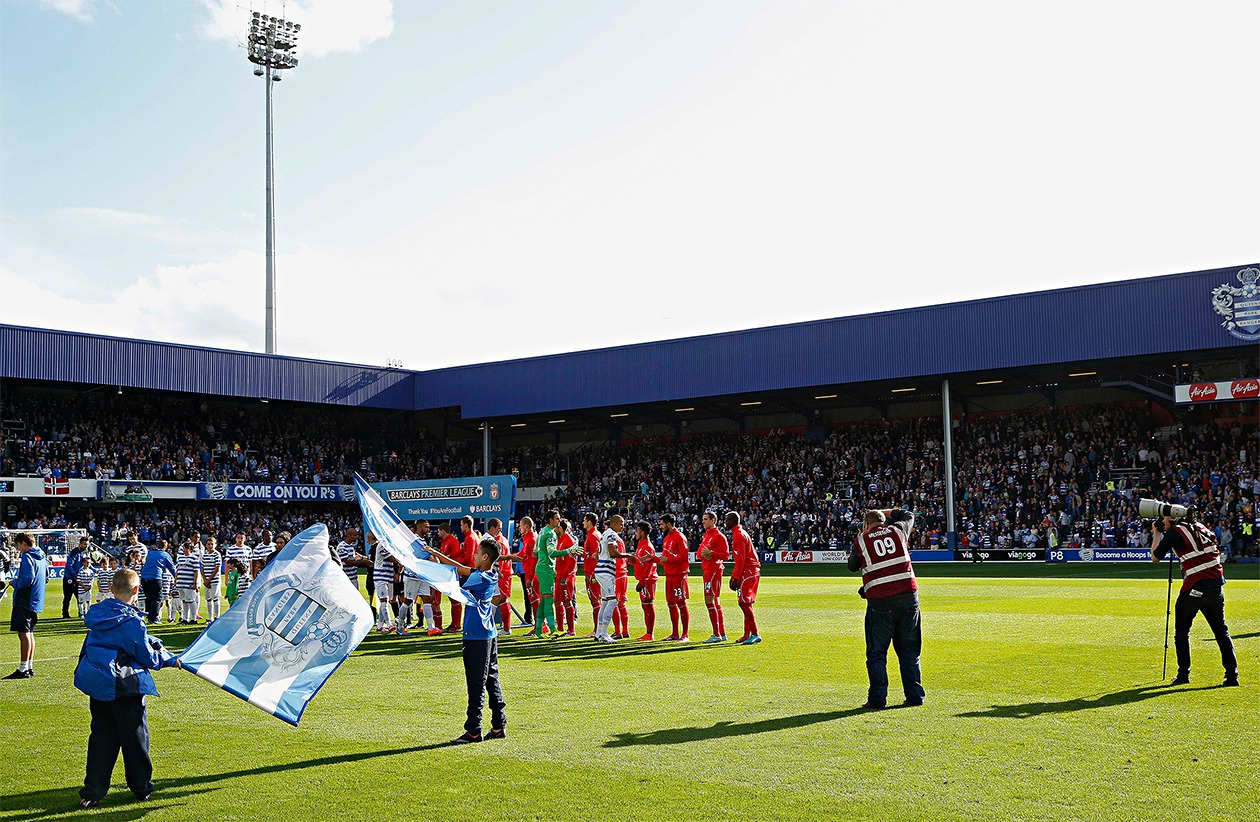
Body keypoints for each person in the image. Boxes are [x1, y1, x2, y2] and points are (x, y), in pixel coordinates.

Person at [74, 568, 181, 808]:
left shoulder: (98, 614)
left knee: (101, 737)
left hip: (99, 684)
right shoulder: (131, 620)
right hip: (124, 685)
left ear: (111, 588)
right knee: (135, 739)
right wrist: (170, 659)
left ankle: (93, 791)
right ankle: (141, 787)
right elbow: (146, 656)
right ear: (136, 590)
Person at [427, 535, 507, 744]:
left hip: (475, 635)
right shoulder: (490, 574)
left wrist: (433, 566)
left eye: (477, 553)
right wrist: (437, 555)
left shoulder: (479, 578)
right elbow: (460, 567)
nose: (474, 555)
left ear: (485, 557)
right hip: (489, 633)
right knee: (491, 679)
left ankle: (473, 730)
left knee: (476, 683)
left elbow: (454, 585)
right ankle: (499, 725)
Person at [847, 508, 925, 710]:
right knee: (909, 651)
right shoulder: (899, 530)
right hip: (908, 598)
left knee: (877, 653)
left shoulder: (862, 541)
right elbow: (908, 515)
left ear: (865, 525)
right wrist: (885, 512)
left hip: (880, 604)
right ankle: (915, 695)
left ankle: (877, 699)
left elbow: (852, 565)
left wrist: (862, 535)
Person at [1151, 514, 1239, 686]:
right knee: (1221, 631)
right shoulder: (1200, 527)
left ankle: (1183, 675)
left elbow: (1155, 557)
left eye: (1164, 517)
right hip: (1216, 586)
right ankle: (1232, 676)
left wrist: (1156, 533)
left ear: (1173, 518)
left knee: (1182, 632)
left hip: (1195, 586)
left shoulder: (1175, 532)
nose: (1162, 520)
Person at [528, 510, 581, 638]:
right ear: (550, 520)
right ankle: (553, 629)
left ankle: (540, 629)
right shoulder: (551, 534)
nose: (558, 520)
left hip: (541, 569)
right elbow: (552, 553)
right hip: (547, 569)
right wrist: (568, 550)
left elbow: (535, 551)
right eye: (557, 518)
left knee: (545, 600)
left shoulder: (541, 531)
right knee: (548, 599)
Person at [4, 532, 47, 679]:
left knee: (24, 634)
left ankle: (23, 669)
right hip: (35, 599)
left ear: (23, 543)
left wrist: (14, 582)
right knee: (29, 633)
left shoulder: (27, 557)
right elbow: (45, 577)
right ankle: (28, 666)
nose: (18, 549)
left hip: (25, 599)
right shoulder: (42, 557)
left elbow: (28, 579)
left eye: (18, 545)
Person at [594, 515, 633, 643]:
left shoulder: (605, 533)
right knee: (612, 601)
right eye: (621, 524)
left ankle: (599, 633)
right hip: (605, 571)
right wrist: (628, 556)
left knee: (605, 602)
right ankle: (604, 634)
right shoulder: (612, 535)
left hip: (601, 570)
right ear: (614, 523)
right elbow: (612, 553)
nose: (622, 526)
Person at [727, 511, 762, 645]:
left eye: (727, 520)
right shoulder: (740, 533)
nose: (725, 523)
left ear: (732, 521)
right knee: (746, 603)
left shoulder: (738, 535)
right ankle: (747, 634)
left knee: (744, 602)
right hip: (750, 570)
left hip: (748, 570)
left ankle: (755, 633)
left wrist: (735, 577)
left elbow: (740, 559)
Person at [658, 514, 691, 642]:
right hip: (669, 575)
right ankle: (675, 633)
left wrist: (668, 559)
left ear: (669, 524)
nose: (661, 527)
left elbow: (683, 557)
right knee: (671, 604)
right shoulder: (667, 538)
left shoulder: (679, 537)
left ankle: (685, 634)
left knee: (681, 603)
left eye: (662, 524)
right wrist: (654, 559)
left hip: (679, 575)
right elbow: (666, 558)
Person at [698, 511, 730, 643]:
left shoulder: (719, 536)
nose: (703, 521)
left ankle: (717, 634)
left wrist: (712, 553)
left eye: (705, 519)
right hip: (707, 570)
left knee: (709, 601)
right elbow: (700, 554)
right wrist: (704, 554)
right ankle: (721, 633)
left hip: (714, 571)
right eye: (703, 519)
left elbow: (726, 555)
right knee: (715, 602)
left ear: (713, 521)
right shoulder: (706, 536)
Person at [137, 539, 177, 624]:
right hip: (155, 577)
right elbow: (172, 568)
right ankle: (154, 618)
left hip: (144, 577)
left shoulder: (150, 553)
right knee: (157, 598)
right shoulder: (166, 555)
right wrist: (176, 578)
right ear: (166, 547)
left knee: (149, 597)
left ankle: (148, 615)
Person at [486, 518, 514, 635]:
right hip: (505, 572)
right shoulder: (503, 539)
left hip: (502, 573)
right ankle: (505, 628)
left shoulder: (498, 541)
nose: (499, 530)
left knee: (500, 599)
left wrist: (498, 571)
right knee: (501, 599)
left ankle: (505, 628)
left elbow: (498, 558)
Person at [632, 520, 659, 641]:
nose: (635, 533)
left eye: (637, 531)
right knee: (645, 606)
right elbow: (641, 563)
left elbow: (649, 566)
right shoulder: (641, 544)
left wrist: (642, 582)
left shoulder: (647, 546)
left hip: (647, 580)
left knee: (648, 605)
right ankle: (648, 633)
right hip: (644, 579)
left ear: (642, 532)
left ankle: (650, 633)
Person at [438, 522, 465, 633]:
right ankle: (453, 624)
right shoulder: (444, 542)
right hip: (446, 574)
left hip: (453, 574)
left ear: (443, 531)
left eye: (439, 531)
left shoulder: (453, 541)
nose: (438, 533)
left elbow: (455, 559)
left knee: (455, 599)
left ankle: (457, 625)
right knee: (452, 599)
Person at [555, 519, 579, 636]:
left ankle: (571, 630)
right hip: (559, 575)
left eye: (556, 527)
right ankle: (559, 628)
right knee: (557, 601)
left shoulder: (569, 540)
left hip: (566, 577)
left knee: (567, 602)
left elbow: (571, 561)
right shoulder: (559, 540)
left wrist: (565, 575)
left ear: (560, 528)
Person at [370, 532, 398, 633]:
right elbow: (394, 559)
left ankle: (380, 625)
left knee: (386, 601)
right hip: (380, 577)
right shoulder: (383, 545)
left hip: (388, 576)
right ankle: (389, 624)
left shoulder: (389, 546)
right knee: (384, 600)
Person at [581, 513, 602, 637]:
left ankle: (597, 630)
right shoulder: (595, 534)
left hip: (592, 573)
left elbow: (595, 556)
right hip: (593, 572)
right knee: (596, 601)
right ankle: (598, 629)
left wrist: (593, 574)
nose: (583, 522)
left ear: (589, 522)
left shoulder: (592, 536)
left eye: (584, 520)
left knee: (595, 601)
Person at [517, 516, 538, 627]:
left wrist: (530, 577)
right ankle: (538, 625)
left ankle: (539, 626)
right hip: (528, 572)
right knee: (532, 599)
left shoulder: (532, 539)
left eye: (520, 526)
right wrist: (508, 557)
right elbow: (522, 554)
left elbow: (534, 560)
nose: (519, 528)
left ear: (526, 526)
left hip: (532, 574)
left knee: (535, 600)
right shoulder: (527, 538)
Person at [175, 542, 201, 624]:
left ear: (189, 549)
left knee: (191, 601)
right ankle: (185, 619)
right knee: (184, 601)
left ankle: (193, 618)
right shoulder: (180, 558)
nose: (184, 550)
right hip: (181, 583)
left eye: (185, 548)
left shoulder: (194, 558)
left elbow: (196, 571)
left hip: (189, 583)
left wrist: (195, 583)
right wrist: (175, 581)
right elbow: (177, 571)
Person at [63, 536, 88, 618]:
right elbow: (69, 565)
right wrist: (74, 575)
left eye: (87, 544)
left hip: (78, 578)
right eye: (84, 544)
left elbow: (87, 564)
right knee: (67, 597)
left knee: (80, 596)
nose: (86, 546)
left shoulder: (85, 553)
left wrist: (95, 571)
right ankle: (65, 614)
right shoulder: (74, 552)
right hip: (69, 578)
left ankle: (81, 613)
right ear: (80, 544)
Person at [201, 537, 222, 624]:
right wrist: (205, 580)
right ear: (206, 545)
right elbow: (202, 568)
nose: (210, 546)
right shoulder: (205, 555)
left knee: (215, 598)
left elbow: (217, 568)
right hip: (207, 581)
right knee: (208, 599)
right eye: (209, 544)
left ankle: (217, 617)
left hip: (215, 580)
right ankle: (210, 618)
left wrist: (209, 580)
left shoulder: (217, 554)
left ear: (215, 545)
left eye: (212, 544)